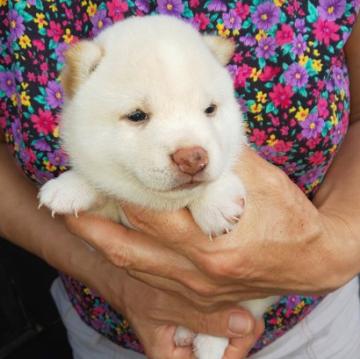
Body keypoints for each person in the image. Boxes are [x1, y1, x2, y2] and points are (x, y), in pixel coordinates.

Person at [1, 0, 360, 358]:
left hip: (312, 330)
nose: (190, 153)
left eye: (208, 110)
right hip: (107, 337)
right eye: (139, 115)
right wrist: (115, 281)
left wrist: (336, 249)